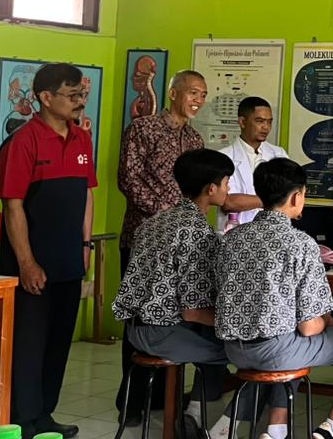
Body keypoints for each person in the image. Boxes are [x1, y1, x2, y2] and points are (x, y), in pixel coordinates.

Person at [115, 70, 257, 418]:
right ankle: (132, 403)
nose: (198, 100)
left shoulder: (194, 138)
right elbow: (128, 179)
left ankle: (168, 400)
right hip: (145, 235)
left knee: (182, 316)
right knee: (148, 311)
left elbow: (200, 191)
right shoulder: (143, 129)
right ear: (173, 93)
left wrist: (180, 219)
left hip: (183, 233)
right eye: (193, 92)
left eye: (203, 94)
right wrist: (169, 216)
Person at [112, 149, 282, 439]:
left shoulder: (155, 221)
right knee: (252, 353)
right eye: (226, 182)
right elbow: (193, 311)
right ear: (211, 189)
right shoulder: (196, 232)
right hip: (163, 335)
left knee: (218, 334)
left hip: (134, 332)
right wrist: (241, 325)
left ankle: (195, 413)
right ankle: (210, 424)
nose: (228, 188)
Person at [215, 158, 333, 439]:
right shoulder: (301, 244)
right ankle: (330, 430)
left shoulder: (232, 238)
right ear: (296, 197)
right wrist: (326, 321)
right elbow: (310, 327)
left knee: (290, 340)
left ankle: (276, 430)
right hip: (276, 352)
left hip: (233, 350)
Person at [0, 63, 95, 439]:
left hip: (69, 261)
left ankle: (44, 417)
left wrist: (85, 244)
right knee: (27, 347)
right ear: (46, 97)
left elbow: (87, 194)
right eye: (72, 95)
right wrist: (26, 262)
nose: (79, 102)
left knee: (58, 343)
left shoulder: (82, 138)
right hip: (31, 264)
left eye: (82, 94)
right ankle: (20, 421)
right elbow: (13, 206)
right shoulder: (23, 142)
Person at [218, 96, 290, 232]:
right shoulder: (223, 156)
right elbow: (228, 202)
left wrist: (251, 201)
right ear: (242, 122)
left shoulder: (279, 154)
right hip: (236, 234)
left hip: (274, 233)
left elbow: (290, 195)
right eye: (259, 121)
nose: (266, 127)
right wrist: (274, 200)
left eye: (269, 122)